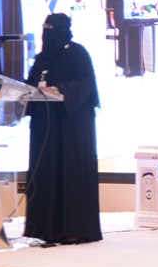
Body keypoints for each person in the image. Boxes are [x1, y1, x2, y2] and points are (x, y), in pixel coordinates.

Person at [24, 13, 102, 246]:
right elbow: (30, 83)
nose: (47, 33)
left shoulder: (78, 53)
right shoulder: (42, 58)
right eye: (45, 27)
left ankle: (75, 228)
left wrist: (58, 90)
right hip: (45, 124)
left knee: (71, 173)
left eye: (52, 28)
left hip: (72, 125)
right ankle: (50, 229)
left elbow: (85, 84)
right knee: (46, 172)